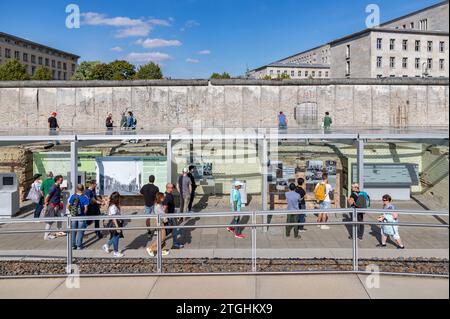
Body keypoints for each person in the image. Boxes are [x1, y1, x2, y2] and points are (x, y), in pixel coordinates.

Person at [146, 192, 170, 257]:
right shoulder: (158, 206)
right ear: (160, 198)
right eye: (163, 197)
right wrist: (166, 219)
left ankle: (162, 250)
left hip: (160, 222)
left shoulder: (158, 204)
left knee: (162, 237)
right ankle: (151, 248)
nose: (164, 198)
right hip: (160, 223)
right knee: (162, 238)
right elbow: (163, 215)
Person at [43, 175, 66, 240]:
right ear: (57, 180)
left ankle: (59, 231)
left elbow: (56, 194)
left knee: (60, 218)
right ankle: (46, 236)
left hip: (57, 206)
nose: (62, 181)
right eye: (61, 180)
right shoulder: (53, 187)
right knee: (49, 221)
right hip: (52, 206)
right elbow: (47, 196)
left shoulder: (58, 187)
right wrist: (45, 205)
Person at [102, 192, 124, 258]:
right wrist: (117, 227)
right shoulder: (113, 207)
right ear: (116, 199)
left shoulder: (113, 205)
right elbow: (114, 218)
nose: (120, 199)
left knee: (114, 237)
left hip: (115, 223)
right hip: (114, 223)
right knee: (116, 237)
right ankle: (115, 252)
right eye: (119, 198)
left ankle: (107, 245)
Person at [67, 184, 89, 250]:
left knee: (73, 231)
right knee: (80, 231)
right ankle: (79, 245)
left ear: (77, 189)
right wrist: (84, 214)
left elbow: (68, 206)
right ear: (83, 189)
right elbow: (86, 209)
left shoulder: (73, 196)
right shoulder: (85, 197)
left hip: (73, 216)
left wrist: (72, 212)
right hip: (81, 216)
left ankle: (73, 246)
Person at [163, 183, 184, 249]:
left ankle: (174, 243)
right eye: (171, 188)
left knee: (171, 230)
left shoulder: (169, 194)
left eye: (173, 187)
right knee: (172, 231)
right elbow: (165, 207)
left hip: (172, 215)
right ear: (168, 188)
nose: (172, 189)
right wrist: (166, 217)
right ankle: (174, 244)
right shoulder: (167, 196)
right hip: (170, 216)